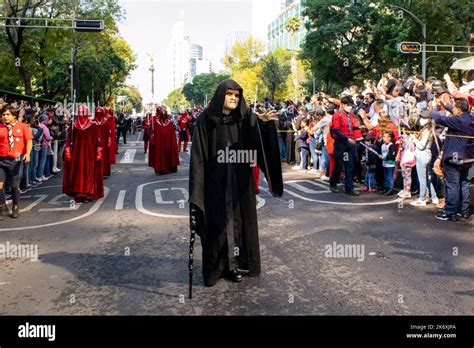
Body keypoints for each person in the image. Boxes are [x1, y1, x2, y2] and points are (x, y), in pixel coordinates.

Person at [189, 79, 283, 289]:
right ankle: (215, 268)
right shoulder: (205, 120)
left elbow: (258, 144)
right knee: (217, 227)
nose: (233, 98)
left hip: (240, 183)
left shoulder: (245, 117)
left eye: (237, 95)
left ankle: (234, 266)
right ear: (221, 95)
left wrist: (266, 126)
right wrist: (196, 191)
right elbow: (197, 159)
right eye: (229, 94)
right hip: (215, 184)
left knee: (237, 224)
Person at [431, 98, 474, 221]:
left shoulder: (457, 120)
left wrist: (435, 108)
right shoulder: (471, 118)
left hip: (455, 157)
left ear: (459, 109)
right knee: (464, 184)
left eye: (454, 107)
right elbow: (457, 111)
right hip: (468, 157)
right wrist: (446, 105)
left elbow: (439, 119)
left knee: (452, 185)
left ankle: (450, 212)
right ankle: (463, 210)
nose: (453, 109)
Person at [63, 105, 104, 203]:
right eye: (80, 113)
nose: (81, 115)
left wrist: (98, 152)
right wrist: (68, 151)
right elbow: (69, 140)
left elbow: (98, 140)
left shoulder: (92, 125)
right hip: (76, 155)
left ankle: (86, 193)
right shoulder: (73, 126)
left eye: (83, 112)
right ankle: (78, 193)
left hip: (89, 155)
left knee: (88, 173)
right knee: (77, 173)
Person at [0, 105, 33, 219]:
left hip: (15, 161)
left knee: (14, 186)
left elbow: (29, 140)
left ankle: (15, 206)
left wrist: (28, 153)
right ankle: (2, 207)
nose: (5, 117)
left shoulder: (23, 126)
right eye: (3, 114)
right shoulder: (0, 127)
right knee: (0, 185)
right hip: (1, 160)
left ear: (14, 116)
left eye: (8, 114)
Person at [329, 96, 360, 196]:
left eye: (351, 105)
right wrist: (347, 139)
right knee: (338, 164)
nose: (349, 107)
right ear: (342, 104)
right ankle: (333, 183)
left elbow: (354, 127)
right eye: (347, 105)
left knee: (349, 165)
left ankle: (349, 188)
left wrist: (358, 136)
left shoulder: (351, 115)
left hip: (350, 144)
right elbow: (336, 130)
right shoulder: (337, 115)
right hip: (341, 143)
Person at [151, 109, 179, 175]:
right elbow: (153, 133)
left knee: (168, 154)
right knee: (159, 155)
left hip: (168, 143)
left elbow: (172, 134)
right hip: (159, 143)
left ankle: (170, 167)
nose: (163, 116)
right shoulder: (156, 123)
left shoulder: (169, 123)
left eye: (164, 114)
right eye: (162, 114)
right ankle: (159, 169)